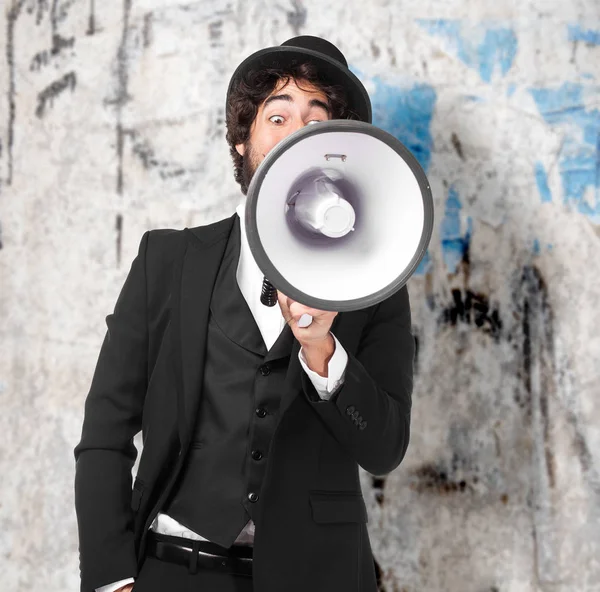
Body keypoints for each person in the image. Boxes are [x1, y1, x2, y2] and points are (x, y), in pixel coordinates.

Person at [74, 35, 415, 592]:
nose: (295, 135)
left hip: (319, 577)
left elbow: (384, 448)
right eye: (277, 116)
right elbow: (105, 433)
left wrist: (323, 353)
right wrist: (111, 579)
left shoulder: (376, 283)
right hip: (173, 571)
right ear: (242, 140)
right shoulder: (167, 261)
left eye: (316, 119)